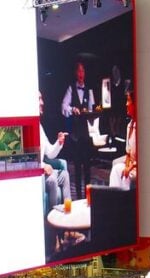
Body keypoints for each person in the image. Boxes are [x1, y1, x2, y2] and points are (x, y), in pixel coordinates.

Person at [61, 60, 99, 199]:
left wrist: (92, 112)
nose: (81, 73)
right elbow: (63, 107)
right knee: (77, 168)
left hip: (87, 134)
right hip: (76, 135)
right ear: (75, 73)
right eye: (79, 71)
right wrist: (73, 109)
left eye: (83, 71)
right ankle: (78, 197)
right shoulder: (71, 88)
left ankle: (89, 197)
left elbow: (92, 109)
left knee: (88, 168)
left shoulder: (89, 90)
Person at [39, 91, 70, 211]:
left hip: (45, 171)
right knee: (52, 180)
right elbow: (25, 159)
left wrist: (59, 142)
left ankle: (68, 213)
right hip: (38, 175)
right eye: (39, 99)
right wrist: (42, 166)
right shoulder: (27, 126)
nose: (42, 102)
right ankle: (52, 219)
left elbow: (50, 153)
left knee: (65, 175)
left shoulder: (39, 126)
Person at [109, 90, 137, 190]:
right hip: (132, 163)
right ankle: (114, 197)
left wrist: (129, 168)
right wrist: (127, 166)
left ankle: (124, 201)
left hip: (138, 166)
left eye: (128, 100)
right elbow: (128, 152)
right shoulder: (129, 125)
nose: (126, 104)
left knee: (125, 175)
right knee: (117, 169)